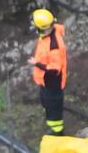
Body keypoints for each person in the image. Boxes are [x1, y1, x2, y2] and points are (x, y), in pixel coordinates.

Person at [28, 8, 68, 136]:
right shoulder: (50, 31)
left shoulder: (54, 46)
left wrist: (37, 64)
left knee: (53, 110)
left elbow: (54, 70)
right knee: (46, 103)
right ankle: (52, 124)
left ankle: (57, 132)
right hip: (45, 83)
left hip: (52, 84)